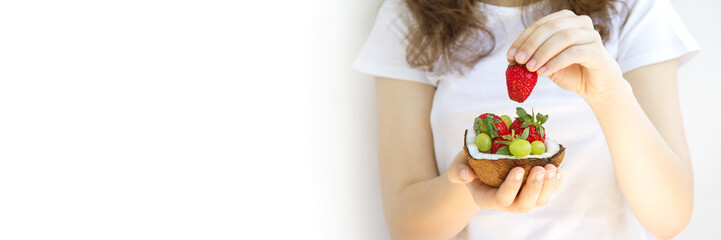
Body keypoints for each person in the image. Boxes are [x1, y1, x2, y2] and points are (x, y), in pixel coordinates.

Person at [353, 0, 698, 239]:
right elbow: (407, 226)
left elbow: (670, 216)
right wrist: (478, 176)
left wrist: (607, 93)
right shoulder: (408, 16)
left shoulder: (633, 8)